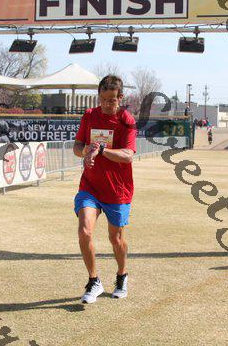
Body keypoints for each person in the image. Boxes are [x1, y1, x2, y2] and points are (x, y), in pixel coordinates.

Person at [72, 75, 137, 304]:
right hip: (90, 186)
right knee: (84, 231)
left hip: (117, 190)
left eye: (112, 100)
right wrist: (86, 151)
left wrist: (101, 151)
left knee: (116, 239)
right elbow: (77, 147)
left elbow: (127, 156)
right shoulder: (90, 115)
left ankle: (122, 275)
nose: (107, 104)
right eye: (103, 99)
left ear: (121, 98)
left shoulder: (126, 120)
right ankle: (94, 280)